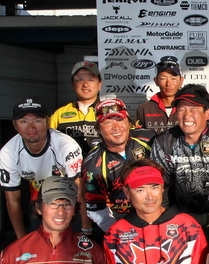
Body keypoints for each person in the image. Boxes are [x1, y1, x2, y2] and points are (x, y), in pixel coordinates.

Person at [151, 84, 209, 246]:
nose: (187, 115)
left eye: (193, 109)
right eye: (182, 109)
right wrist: (163, 221)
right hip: (179, 215)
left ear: (207, 113)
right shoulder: (163, 141)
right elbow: (160, 187)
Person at [0, 97, 91, 239]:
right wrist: (21, 239)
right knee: (41, 243)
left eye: (37, 121)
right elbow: (12, 199)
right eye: (23, 121)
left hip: (69, 199)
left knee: (73, 244)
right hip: (38, 200)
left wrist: (86, 230)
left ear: (47, 122)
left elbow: (79, 191)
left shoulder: (66, 145)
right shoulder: (8, 152)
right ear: (15, 125)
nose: (31, 127)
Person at [83, 98, 154, 233]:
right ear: (98, 129)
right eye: (108, 122)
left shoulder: (149, 140)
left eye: (120, 120)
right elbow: (96, 209)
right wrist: (119, 233)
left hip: (156, 213)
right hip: (120, 220)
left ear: (129, 122)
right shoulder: (93, 163)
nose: (116, 127)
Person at [50, 60, 102, 153]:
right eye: (80, 79)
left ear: (99, 84)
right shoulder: (59, 114)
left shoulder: (110, 111)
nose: (85, 84)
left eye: (90, 79)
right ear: (72, 85)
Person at [134, 56, 183, 134]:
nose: (168, 83)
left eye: (173, 78)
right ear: (156, 81)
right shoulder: (144, 109)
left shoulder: (190, 107)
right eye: (163, 78)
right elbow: (136, 137)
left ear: (181, 81)